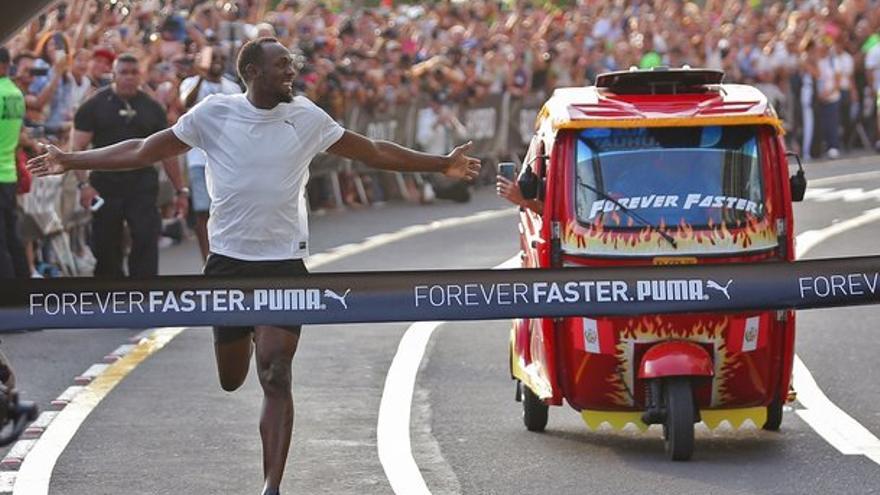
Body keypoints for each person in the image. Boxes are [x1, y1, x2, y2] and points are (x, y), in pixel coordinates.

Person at [29, 37, 480, 495]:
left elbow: (375, 151)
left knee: (276, 371)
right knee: (232, 379)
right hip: (228, 265)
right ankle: (243, 333)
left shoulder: (305, 116)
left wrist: (440, 164)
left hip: (283, 263)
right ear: (252, 71)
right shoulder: (214, 115)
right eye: (282, 65)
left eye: (291, 65)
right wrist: (71, 159)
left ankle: (272, 487)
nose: (292, 72)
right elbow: (145, 149)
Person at [71, 53, 188, 278]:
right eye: (123, 73)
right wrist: (83, 185)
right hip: (105, 183)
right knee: (106, 244)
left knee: (145, 237)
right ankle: (109, 295)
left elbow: (167, 151)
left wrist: (180, 189)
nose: (129, 78)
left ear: (140, 75)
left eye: (134, 73)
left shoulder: (152, 108)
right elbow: (77, 149)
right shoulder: (93, 106)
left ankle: (144, 295)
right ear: (113, 75)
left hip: (141, 183)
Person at [179, 47, 241, 261]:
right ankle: (207, 259)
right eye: (213, 57)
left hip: (228, 160)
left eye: (222, 58)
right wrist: (201, 77)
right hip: (199, 158)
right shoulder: (191, 83)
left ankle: (228, 255)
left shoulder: (232, 87)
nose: (218, 61)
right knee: (203, 210)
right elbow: (186, 103)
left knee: (227, 211)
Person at [0, 47, 28, 280]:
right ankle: (23, 289)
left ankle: (7, 298)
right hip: (8, 173)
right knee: (12, 237)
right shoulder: (16, 93)